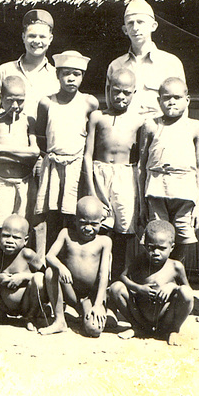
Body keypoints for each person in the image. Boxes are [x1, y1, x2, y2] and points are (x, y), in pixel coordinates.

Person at [34, 50, 99, 254]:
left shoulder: (89, 102)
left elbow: (92, 137)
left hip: (76, 167)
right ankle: (50, 258)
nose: (71, 78)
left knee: (73, 213)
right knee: (50, 213)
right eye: (66, 73)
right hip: (52, 164)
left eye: (76, 74)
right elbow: (41, 136)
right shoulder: (47, 102)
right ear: (58, 75)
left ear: (82, 76)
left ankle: (71, 256)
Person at [83, 67, 145, 280]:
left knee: (123, 231)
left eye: (126, 93)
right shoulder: (97, 117)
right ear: (108, 89)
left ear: (133, 93)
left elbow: (141, 158)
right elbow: (87, 155)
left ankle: (118, 280)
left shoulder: (139, 121)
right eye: (115, 91)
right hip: (99, 174)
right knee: (98, 227)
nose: (120, 96)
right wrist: (92, 190)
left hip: (126, 177)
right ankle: (94, 279)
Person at [139, 77, 199, 262]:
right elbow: (142, 167)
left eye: (177, 97)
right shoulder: (151, 125)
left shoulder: (195, 127)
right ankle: (157, 280)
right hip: (156, 190)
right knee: (156, 235)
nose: (171, 102)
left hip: (185, 192)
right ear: (158, 100)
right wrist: (142, 204)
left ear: (188, 100)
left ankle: (176, 277)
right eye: (166, 97)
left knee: (183, 235)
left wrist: (197, 206)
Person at [109, 220, 194, 345]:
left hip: (165, 318)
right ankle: (138, 328)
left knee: (185, 292)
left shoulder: (176, 266)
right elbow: (123, 277)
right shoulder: (140, 260)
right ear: (145, 245)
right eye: (151, 247)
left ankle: (173, 330)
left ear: (172, 247)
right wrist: (139, 288)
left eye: (161, 248)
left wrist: (172, 287)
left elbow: (188, 293)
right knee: (115, 288)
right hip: (140, 315)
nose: (156, 253)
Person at [39, 196, 112, 337]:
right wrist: (61, 267)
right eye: (83, 223)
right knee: (50, 272)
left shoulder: (104, 241)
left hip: (89, 297)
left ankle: (87, 313)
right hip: (70, 290)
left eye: (94, 224)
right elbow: (49, 256)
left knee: (94, 329)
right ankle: (60, 320)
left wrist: (97, 304)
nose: (88, 228)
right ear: (75, 220)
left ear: (101, 222)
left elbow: (104, 274)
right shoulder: (66, 234)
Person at [0, 75, 40, 248]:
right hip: (2, 182)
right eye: (10, 100)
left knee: (21, 228)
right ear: (1, 98)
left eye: (20, 101)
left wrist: (3, 149)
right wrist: (22, 156)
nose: (15, 106)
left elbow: (35, 151)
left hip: (24, 182)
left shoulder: (29, 121)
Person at [106, 0, 185, 116]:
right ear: (125, 30)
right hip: (126, 131)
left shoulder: (171, 63)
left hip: (159, 130)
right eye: (130, 23)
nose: (135, 28)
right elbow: (110, 107)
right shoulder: (116, 65)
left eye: (140, 22)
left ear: (153, 26)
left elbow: (182, 106)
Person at [0, 215, 46, 330]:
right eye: (5, 236)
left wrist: (23, 277)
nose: (10, 241)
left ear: (25, 240)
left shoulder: (27, 254)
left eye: (16, 237)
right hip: (1, 302)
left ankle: (30, 317)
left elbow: (45, 275)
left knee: (39, 279)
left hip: (25, 304)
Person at [0, 9, 58, 119]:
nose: (37, 41)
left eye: (42, 37)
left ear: (50, 39)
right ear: (23, 37)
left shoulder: (56, 75)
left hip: (43, 135)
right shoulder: (5, 70)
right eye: (32, 36)